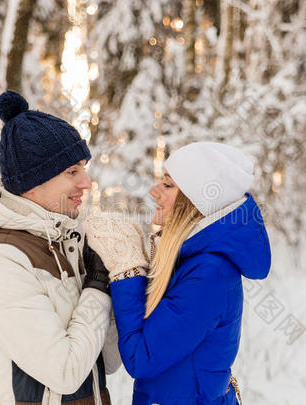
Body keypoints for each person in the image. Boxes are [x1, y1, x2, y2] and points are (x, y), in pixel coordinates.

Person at [0, 90, 120, 405]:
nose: (87, 182)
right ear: (34, 181)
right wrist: (97, 286)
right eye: (72, 172)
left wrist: (124, 278)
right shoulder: (0, 259)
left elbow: (106, 361)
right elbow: (65, 372)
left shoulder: (67, 244)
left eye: (84, 168)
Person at [84, 142, 272, 404]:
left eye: (168, 185)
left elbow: (141, 356)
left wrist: (127, 272)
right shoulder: (192, 261)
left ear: (195, 201)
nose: (154, 191)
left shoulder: (208, 275)